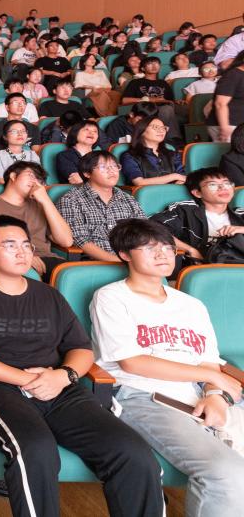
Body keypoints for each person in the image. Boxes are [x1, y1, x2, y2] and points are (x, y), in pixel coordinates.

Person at [0, 214, 165, 517]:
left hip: (60, 388)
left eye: (26, 245)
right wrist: (25, 379)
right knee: (35, 450)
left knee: (132, 452)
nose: (22, 252)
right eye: (10, 245)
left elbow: (81, 349)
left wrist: (64, 375)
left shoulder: (48, 295)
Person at [91, 218, 244, 517]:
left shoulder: (190, 304)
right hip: (141, 396)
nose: (162, 254)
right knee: (225, 473)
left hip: (196, 395)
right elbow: (132, 362)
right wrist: (209, 376)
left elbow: (208, 359)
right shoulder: (111, 297)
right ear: (125, 254)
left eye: (167, 247)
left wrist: (214, 394)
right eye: (149, 248)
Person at [0, 162, 73, 279]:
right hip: (9, 258)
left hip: (47, 259)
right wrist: (24, 255)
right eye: (31, 175)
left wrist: (46, 200)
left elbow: (66, 241)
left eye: (40, 180)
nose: (36, 182)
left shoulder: (41, 205)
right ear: (13, 176)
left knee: (72, 275)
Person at [57, 151, 146, 261]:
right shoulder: (71, 199)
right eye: (103, 167)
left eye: (114, 166)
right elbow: (80, 240)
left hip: (133, 259)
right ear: (87, 173)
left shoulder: (128, 199)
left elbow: (144, 231)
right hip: (96, 262)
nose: (111, 170)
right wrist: (117, 261)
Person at [150, 166, 244, 262]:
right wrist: (190, 249)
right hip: (195, 265)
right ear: (197, 193)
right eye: (213, 185)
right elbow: (153, 228)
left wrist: (241, 229)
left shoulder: (240, 214)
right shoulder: (186, 210)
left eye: (227, 183)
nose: (223, 188)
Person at [119, 116, 186, 186]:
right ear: (142, 130)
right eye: (155, 127)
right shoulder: (129, 156)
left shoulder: (173, 154)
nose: (161, 131)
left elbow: (183, 177)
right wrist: (174, 176)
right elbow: (139, 182)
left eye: (163, 128)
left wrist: (179, 181)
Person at [209, 51, 244, 142]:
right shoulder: (233, 74)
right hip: (229, 124)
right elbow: (220, 103)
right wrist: (224, 127)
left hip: (239, 124)